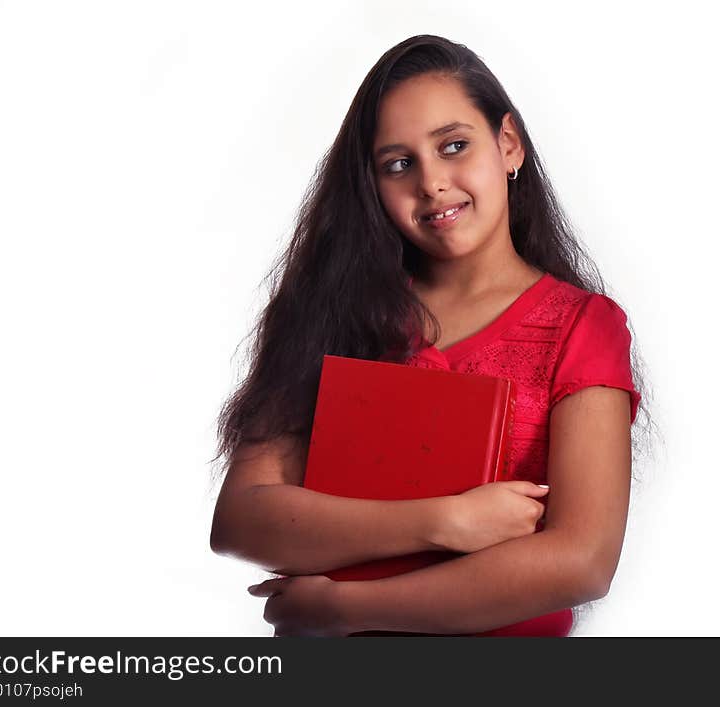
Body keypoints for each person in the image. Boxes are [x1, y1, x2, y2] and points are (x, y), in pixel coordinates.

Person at [209, 34, 651, 637]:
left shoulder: (580, 326)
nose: (432, 182)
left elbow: (581, 562)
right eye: (399, 163)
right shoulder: (329, 315)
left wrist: (345, 608)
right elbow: (241, 521)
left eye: (454, 146)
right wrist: (447, 521)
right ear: (372, 185)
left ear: (509, 145)